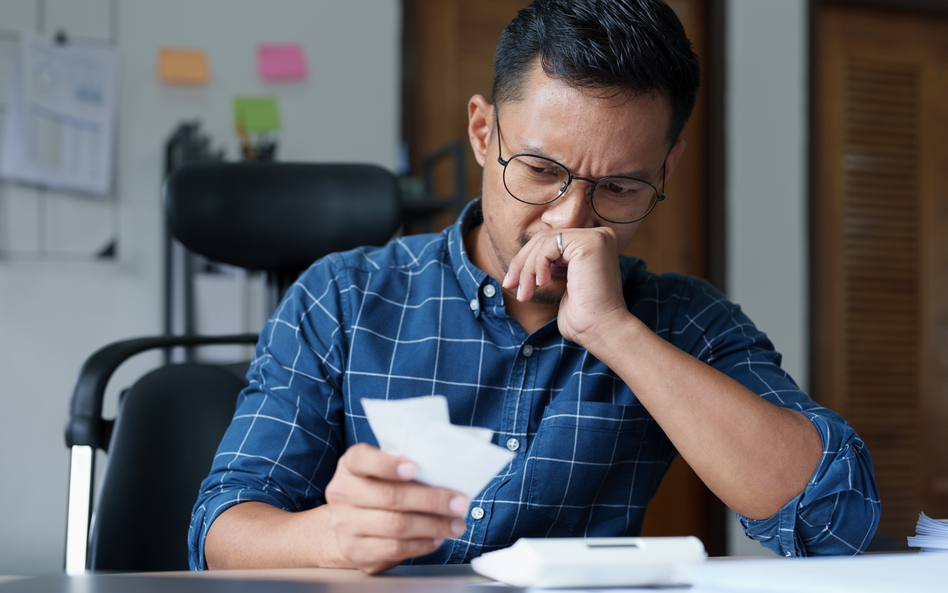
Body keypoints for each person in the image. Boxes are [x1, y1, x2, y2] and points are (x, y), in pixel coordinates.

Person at [189, 0, 879, 574]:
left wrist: (615, 332)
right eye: (542, 171)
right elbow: (221, 534)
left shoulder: (680, 322)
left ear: (665, 172)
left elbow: (837, 520)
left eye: (619, 187)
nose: (568, 218)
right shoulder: (339, 298)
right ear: (484, 132)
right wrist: (334, 537)